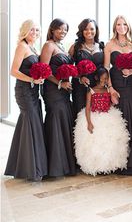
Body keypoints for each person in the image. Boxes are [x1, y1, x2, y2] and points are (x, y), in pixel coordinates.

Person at [5, 19, 47, 181]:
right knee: (31, 125)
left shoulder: (32, 47)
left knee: (29, 125)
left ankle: (22, 166)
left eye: (37, 30)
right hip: (24, 92)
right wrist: (31, 79)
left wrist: (39, 78)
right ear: (25, 31)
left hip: (33, 91)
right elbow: (13, 71)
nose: (35, 33)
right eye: (31, 30)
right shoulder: (22, 47)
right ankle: (32, 169)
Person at [104, 15, 132, 175]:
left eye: (124, 24)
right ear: (115, 27)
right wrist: (110, 89)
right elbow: (106, 69)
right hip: (117, 85)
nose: (121, 27)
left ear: (128, 26)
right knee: (119, 120)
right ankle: (119, 160)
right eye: (118, 24)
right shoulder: (109, 45)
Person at [74, 67, 130, 176]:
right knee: (95, 142)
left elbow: (111, 103)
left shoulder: (108, 90)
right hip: (95, 117)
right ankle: (96, 166)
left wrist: (114, 99)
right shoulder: (91, 91)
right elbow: (88, 108)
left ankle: (107, 166)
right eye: (103, 78)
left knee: (109, 141)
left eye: (106, 79)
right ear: (97, 78)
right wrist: (89, 122)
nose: (104, 81)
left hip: (107, 116)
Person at [40, 18, 76, 177]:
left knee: (63, 121)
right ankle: (53, 166)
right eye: (60, 29)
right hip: (53, 90)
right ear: (53, 29)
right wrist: (60, 83)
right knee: (55, 122)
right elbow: (44, 71)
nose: (63, 32)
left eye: (66, 30)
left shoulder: (61, 46)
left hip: (64, 91)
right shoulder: (48, 45)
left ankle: (65, 164)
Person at [69, 18, 104, 119]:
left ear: (96, 30)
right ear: (82, 31)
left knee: (97, 117)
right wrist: (80, 78)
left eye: (92, 29)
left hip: (98, 87)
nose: (89, 32)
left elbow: (106, 67)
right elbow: (69, 68)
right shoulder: (75, 47)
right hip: (80, 87)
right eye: (86, 29)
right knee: (81, 116)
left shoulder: (102, 46)